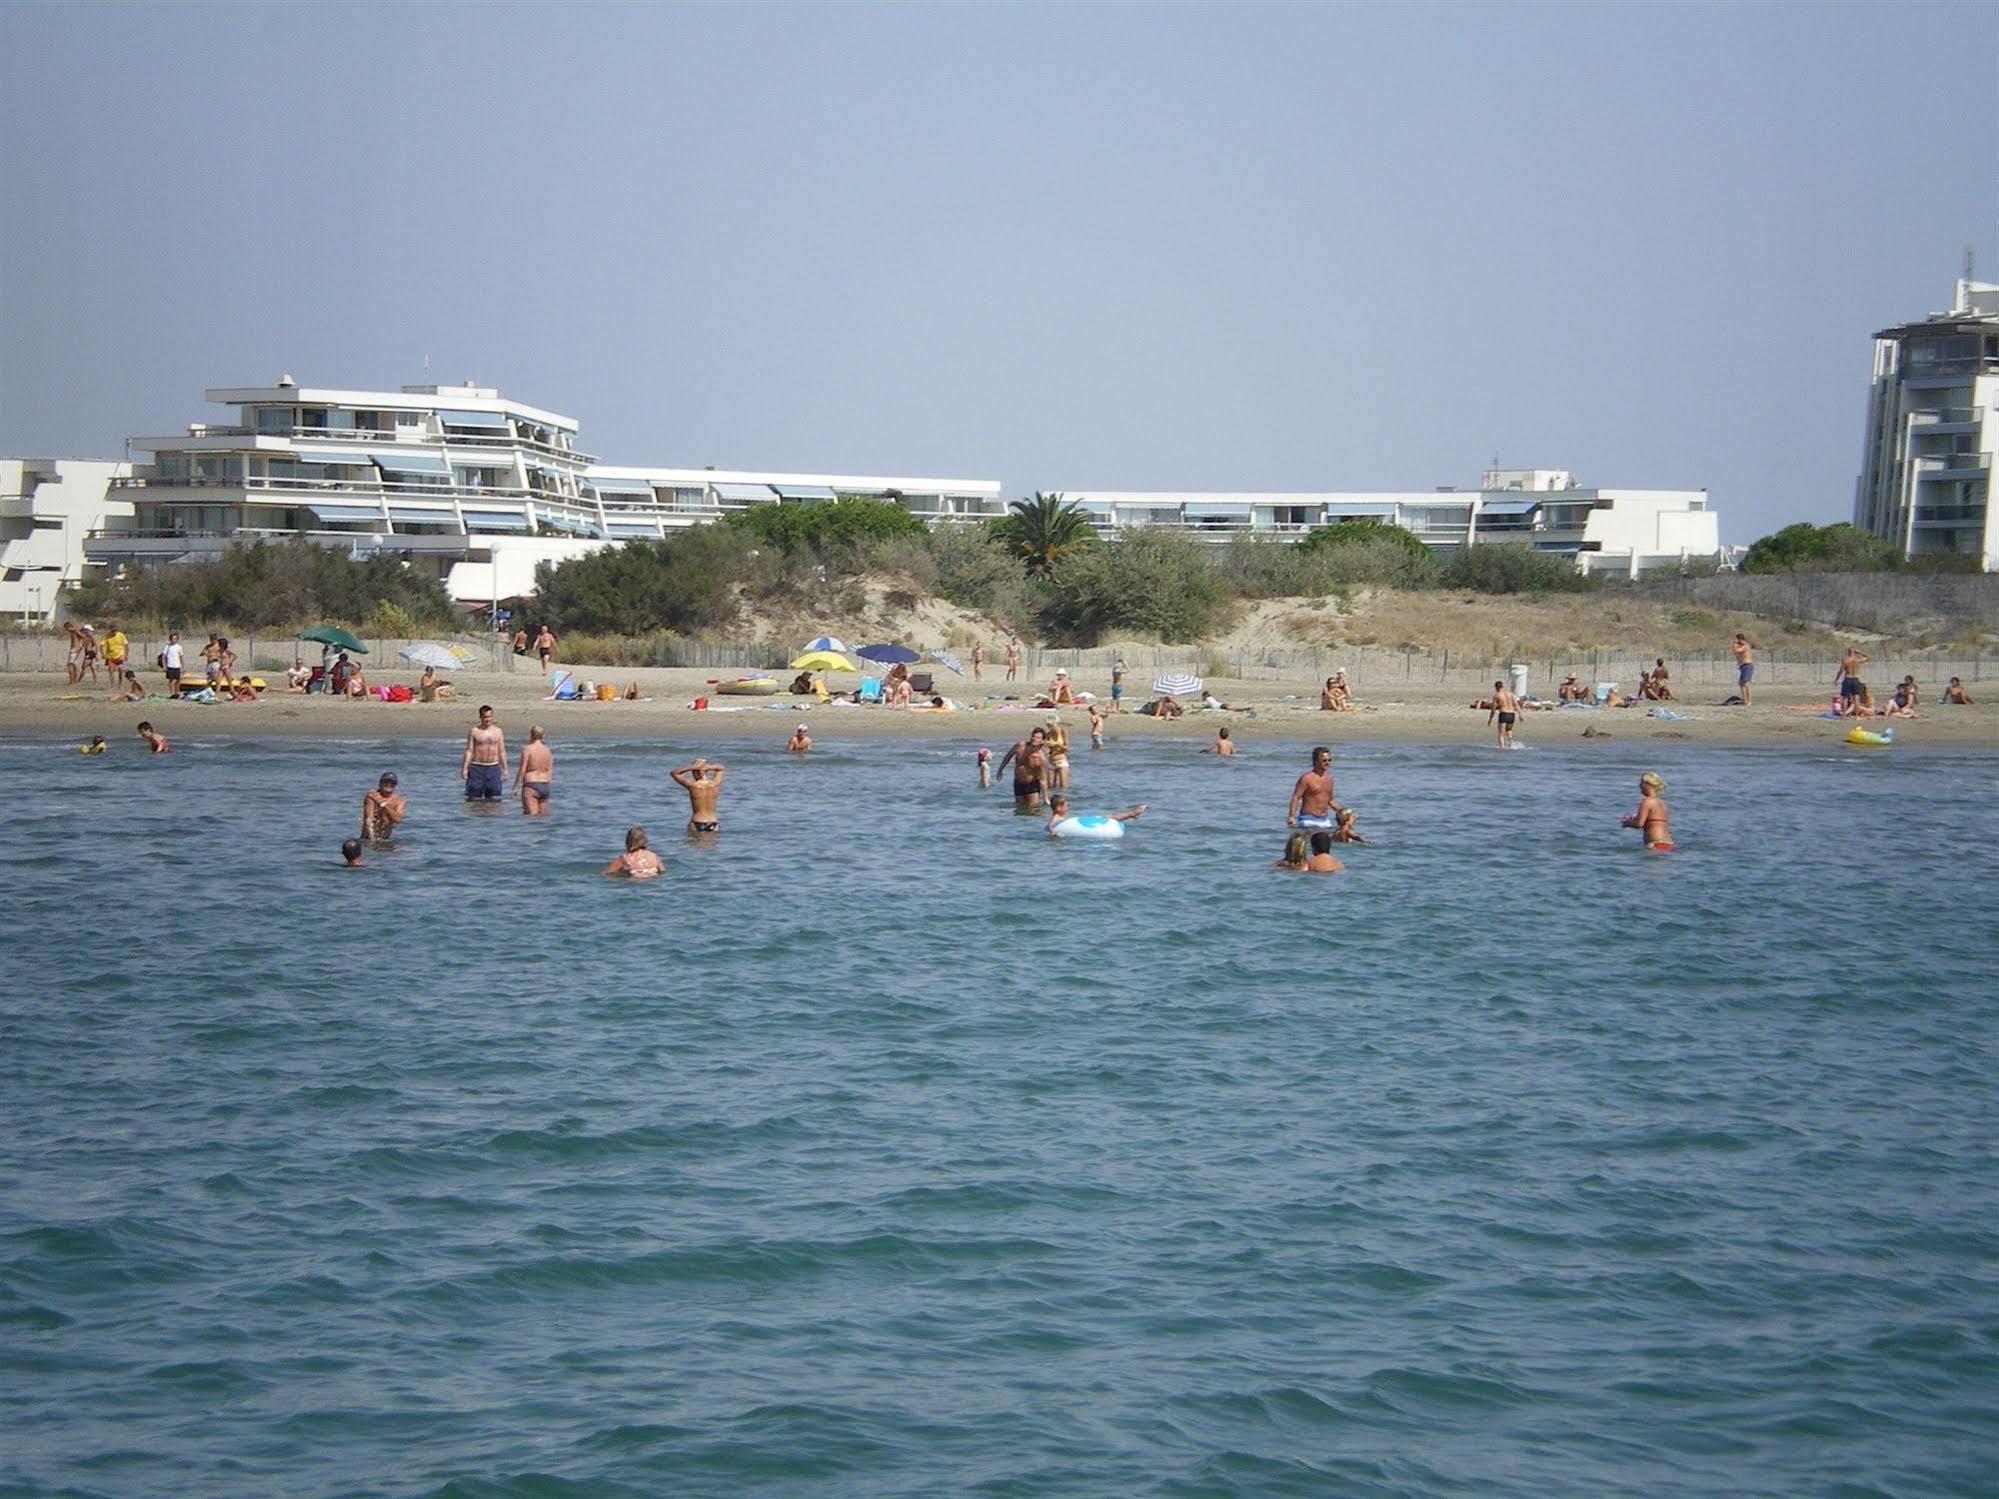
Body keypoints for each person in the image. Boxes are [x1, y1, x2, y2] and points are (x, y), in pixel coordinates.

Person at [1286, 746, 1344, 830]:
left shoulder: (1329, 780)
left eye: (1329, 760)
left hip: (1324, 821)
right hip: (1308, 820)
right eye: (1324, 760)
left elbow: (1330, 801)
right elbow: (1296, 797)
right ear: (1316, 761)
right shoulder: (1306, 778)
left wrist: (1343, 811)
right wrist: (1291, 816)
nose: (1327, 763)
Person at [461, 704, 507, 800]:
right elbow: (469, 750)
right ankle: (476, 815)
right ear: (481, 717)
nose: (487, 719)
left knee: (495, 798)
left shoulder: (498, 731)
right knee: (474, 799)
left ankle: (491, 815)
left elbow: (502, 751)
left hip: (493, 767)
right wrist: (464, 769)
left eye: (489, 717)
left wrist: (505, 769)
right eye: (485, 717)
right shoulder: (474, 731)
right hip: (477, 767)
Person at [997, 726, 1050, 808]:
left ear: (1043, 741)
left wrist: (1046, 798)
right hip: (1018, 782)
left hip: (1032, 784)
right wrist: (1000, 770)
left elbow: (1043, 780)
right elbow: (1008, 756)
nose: (1034, 738)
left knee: (1033, 809)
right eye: (1033, 736)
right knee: (1020, 809)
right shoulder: (1020, 746)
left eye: (1038, 737)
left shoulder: (1041, 759)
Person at [1043, 793, 1145, 835]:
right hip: (1072, 828)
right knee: (1108, 817)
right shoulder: (1056, 818)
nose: (1068, 808)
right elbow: (1050, 825)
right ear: (1058, 808)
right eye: (1066, 806)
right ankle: (1131, 813)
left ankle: (1131, 813)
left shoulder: (1062, 817)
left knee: (1107, 817)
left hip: (1078, 824)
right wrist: (1053, 832)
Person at [1621, 771, 1673, 851]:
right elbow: (1654, 821)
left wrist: (1627, 823)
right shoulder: (1662, 803)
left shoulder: (1646, 801)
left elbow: (1639, 824)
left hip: (1656, 844)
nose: (1639, 786)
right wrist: (1635, 818)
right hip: (1669, 844)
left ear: (1647, 785)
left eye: (1641, 782)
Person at [670, 758, 725, 833]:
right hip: (713, 823)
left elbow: (674, 773)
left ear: (694, 771)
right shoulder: (715, 784)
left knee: (694, 844)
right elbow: (721, 768)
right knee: (713, 844)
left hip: (697, 822)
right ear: (706, 771)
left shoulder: (693, 785)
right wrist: (709, 767)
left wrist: (691, 767)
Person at [514, 724, 553, 814]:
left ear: (531, 735)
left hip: (531, 785)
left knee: (531, 817)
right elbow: (550, 770)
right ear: (543, 736)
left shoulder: (528, 749)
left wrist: (516, 787)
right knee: (543, 817)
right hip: (545, 785)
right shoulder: (547, 750)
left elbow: (522, 769)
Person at [361, 772, 406, 839]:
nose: (389, 784)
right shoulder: (373, 796)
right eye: (386, 782)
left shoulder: (399, 800)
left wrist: (384, 804)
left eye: (392, 783)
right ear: (379, 784)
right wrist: (372, 840)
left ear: (396, 786)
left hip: (385, 839)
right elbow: (369, 820)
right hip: (369, 838)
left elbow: (398, 819)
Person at [1838, 644, 1870, 716]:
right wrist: (1860, 652)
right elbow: (1868, 657)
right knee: (1856, 698)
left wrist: (1836, 679)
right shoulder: (1857, 660)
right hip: (1855, 679)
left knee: (1845, 697)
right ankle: (1857, 715)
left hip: (1848, 679)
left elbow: (1841, 671)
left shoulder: (1846, 660)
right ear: (1854, 652)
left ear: (1848, 652)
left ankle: (1844, 715)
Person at [1488, 678, 1520, 748]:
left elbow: (1493, 709)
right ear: (1503, 686)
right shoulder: (1511, 694)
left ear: (1496, 687)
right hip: (1511, 714)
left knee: (1501, 733)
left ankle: (1501, 748)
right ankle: (1510, 744)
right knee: (1509, 730)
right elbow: (1516, 704)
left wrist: (1490, 719)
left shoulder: (1496, 695)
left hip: (1504, 714)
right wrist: (1520, 715)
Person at [1044, 716, 1071, 788]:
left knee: (1063, 786)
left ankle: (1061, 799)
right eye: (1048, 725)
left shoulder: (1063, 732)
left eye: (1052, 725)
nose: (1050, 727)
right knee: (1050, 786)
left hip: (1061, 761)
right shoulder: (1048, 734)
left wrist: (1056, 744)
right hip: (1051, 761)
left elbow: (1067, 748)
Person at [1731, 633, 1755, 706]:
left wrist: (1734, 644)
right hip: (1743, 666)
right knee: (1741, 684)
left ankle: (1749, 701)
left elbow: (1736, 651)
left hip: (1747, 665)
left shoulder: (1745, 646)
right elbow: (1735, 652)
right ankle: (1745, 701)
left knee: (1746, 684)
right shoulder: (1740, 646)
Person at [160, 631, 184, 695]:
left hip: (177, 666)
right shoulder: (167, 646)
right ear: (170, 639)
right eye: (173, 638)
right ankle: (172, 693)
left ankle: (177, 692)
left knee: (178, 680)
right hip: (170, 666)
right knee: (172, 680)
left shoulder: (179, 647)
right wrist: (164, 666)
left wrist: (182, 666)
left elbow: (181, 657)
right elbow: (163, 656)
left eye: (175, 638)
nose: (174, 640)